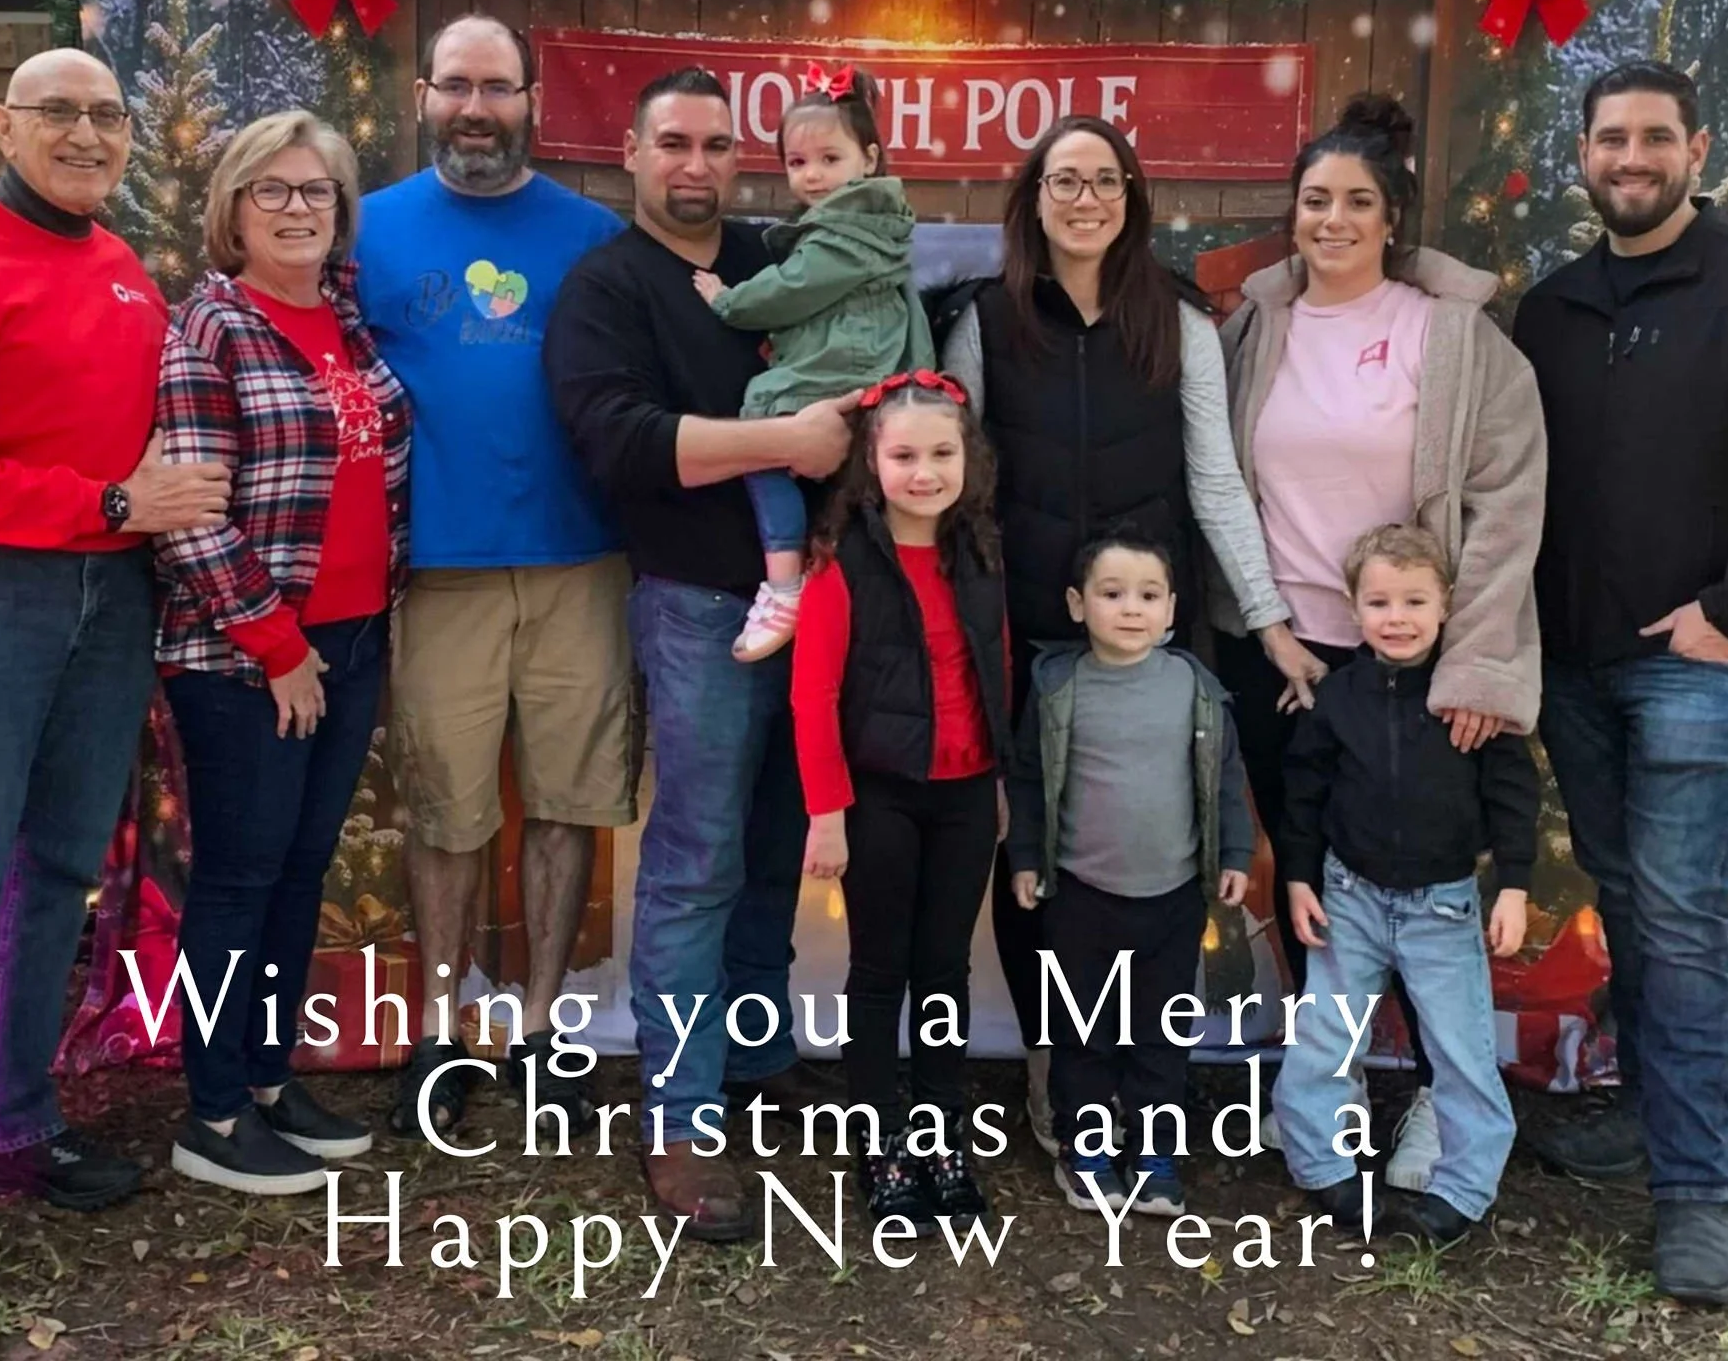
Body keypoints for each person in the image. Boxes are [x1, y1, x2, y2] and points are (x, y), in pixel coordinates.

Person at [0, 49, 232, 1306]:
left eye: (106, 115)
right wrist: (117, 501)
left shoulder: (122, 270)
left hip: (108, 596)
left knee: (59, 874)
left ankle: (18, 1124)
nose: (86, 134)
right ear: (2, 126)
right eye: (58, 113)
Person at [1514, 61, 1728, 1304]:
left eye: (1653, 138)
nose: (1629, 159)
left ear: (1694, 149)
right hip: (1576, 670)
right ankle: (1646, 1118)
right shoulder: (1552, 309)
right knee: (1632, 908)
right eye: (1609, 140)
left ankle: (1697, 1198)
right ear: (1582, 157)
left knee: (1688, 925)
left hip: (1696, 666)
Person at [939, 115, 1305, 1153]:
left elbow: (1213, 479)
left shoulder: (1177, 319)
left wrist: (1268, 621)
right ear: (1033, 197)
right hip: (1028, 637)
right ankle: (1058, 1067)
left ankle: (1140, 1082)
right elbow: (955, 481)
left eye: (1104, 180)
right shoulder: (984, 319)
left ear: (1132, 196)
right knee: (1039, 846)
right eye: (1064, 180)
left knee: (1150, 860)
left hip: (1153, 641)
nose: (1085, 198)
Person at [545, 68, 857, 1239]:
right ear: (628, 153)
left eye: (717, 145)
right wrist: (781, 439)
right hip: (695, 610)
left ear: (742, 160)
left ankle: (754, 1054)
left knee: (780, 840)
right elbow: (617, 444)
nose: (695, 164)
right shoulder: (607, 288)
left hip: (820, 606)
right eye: (671, 142)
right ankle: (679, 1115)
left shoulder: (781, 264)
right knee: (695, 856)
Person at [1215, 95, 1547, 1190]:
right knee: (1316, 882)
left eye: (1357, 201)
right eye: (1314, 201)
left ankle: (1432, 1112)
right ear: (1292, 214)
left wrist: (1473, 661)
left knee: (1426, 898)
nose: (1333, 220)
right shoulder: (1251, 330)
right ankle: (1335, 1090)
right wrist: (1261, 630)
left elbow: (1504, 504)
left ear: (1390, 216)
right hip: (1282, 651)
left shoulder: (1449, 336)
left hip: (1410, 656)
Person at [353, 16, 630, 1137]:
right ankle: (438, 1028)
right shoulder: (364, 230)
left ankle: (539, 1026)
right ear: (423, 97)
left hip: (581, 561)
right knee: (446, 809)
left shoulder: (595, 236)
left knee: (567, 801)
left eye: (497, 88)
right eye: (455, 86)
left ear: (532, 101)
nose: (476, 107)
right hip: (436, 570)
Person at [154, 111, 409, 1194]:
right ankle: (209, 1113)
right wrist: (274, 643)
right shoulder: (208, 328)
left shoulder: (343, 321)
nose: (297, 208)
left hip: (351, 639)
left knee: (298, 873)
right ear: (233, 210)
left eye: (316, 192)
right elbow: (191, 514)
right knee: (237, 878)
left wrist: (331, 645)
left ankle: (265, 1079)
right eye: (274, 191)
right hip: (244, 655)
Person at [1270, 525, 1537, 1247]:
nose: (1398, 617)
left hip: (1442, 904)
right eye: (1380, 601)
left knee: (1460, 1049)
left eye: (1415, 600)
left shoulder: (1470, 699)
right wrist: (1297, 878)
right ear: (1353, 609)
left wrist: (1513, 884)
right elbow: (1303, 797)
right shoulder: (1337, 701)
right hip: (1347, 896)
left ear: (1446, 604)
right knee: (1326, 1034)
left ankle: (1461, 1188)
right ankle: (1322, 1164)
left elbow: (1514, 791)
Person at [791, 371, 1010, 1232]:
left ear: (970, 462)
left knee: (945, 972)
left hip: (964, 794)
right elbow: (813, 695)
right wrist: (827, 811)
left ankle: (943, 1136)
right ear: (871, 465)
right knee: (881, 975)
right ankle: (880, 1143)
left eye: (942, 454)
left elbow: (994, 671)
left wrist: (997, 782)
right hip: (879, 797)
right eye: (905, 455)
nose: (925, 472)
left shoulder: (982, 554)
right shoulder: (844, 564)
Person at [1005, 526, 1253, 1220]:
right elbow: (1027, 781)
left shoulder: (1196, 688)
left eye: (1149, 595)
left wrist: (1234, 855)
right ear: (1078, 605)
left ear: (1173, 608)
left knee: (1158, 1032)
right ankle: (1086, 1153)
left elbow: (1225, 780)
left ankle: (1155, 1155)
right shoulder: (1057, 687)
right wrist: (1025, 859)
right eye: (1113, 594)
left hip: (1172, 899)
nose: (1132, 609)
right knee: (1082, 1031)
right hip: (1079, 896)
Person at [697, 64, 932, 661]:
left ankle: (783, 584)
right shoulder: (871, 224)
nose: (814, 176)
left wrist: (728, 299)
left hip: (844, 370)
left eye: (830, 159)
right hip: (860, 363)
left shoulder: (840, 233)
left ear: (870, 159)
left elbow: (791, 288)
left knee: (761, 440)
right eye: (798, 164)